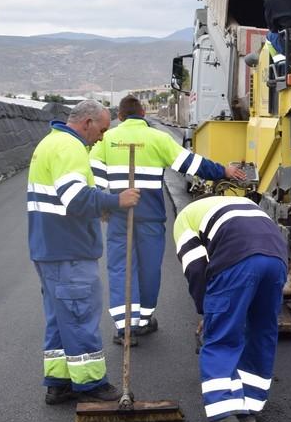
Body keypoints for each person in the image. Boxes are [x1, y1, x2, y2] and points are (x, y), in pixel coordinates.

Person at [90, 96, 245, 345]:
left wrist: (103, 204)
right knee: (149, 268)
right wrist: (223, 171)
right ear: (143, 113)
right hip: (150, 216)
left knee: (121, 268)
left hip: (120, 216)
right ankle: (144, 320)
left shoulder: (107, 140)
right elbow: (191, 164)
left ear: (120, 116)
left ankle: (125, 328)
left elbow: (94, 174)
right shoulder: (158, 139)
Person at [28, 99, 141, 405]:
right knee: (79, 315)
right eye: (102, 129)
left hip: (49, 248)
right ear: (87, 122)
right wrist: (116, 201)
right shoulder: (71, 147)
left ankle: (59, 381)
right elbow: (76, 198)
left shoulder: (50, 143)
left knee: (59, 317)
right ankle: (90, 382)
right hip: (70, 250)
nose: (102, 136)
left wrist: (98, 207)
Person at [172, 195, 288, 422]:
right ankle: (248, 407)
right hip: (277, 259)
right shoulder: (244, 204)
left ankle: (221, 414)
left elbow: (195, 268)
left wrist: (206, 311)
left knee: (221, 337)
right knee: (261, 332)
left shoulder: (184, 219)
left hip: (238, 259)